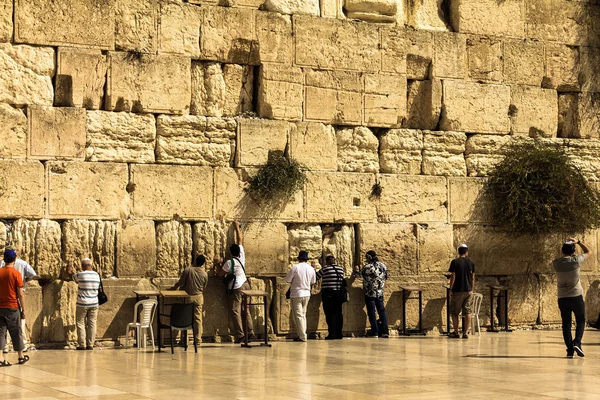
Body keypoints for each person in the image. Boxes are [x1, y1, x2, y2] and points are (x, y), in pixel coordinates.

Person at [216, 221, 254, 344]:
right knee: (245, 309)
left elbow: (220, 274)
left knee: (235, 310)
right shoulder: (242, 255)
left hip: (237, 287)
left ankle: (240, 335)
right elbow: (240, 239)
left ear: (231, 252)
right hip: (245, 284)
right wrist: (237, 227)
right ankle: (250, 331)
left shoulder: (229, 262)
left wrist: (218, 264)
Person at [553, 238, 591, 358]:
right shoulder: (576, 261)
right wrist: (578, 242)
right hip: (576, 296)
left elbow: (561, 259)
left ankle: (570, 350)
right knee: (580, 320)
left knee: (566, 323)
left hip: (562, 297)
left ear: (562, 250)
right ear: (573, 251)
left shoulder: (556, 263)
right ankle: (577, 343)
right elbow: (588, 252)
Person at [0, 249, 36, 353]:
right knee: (17, 329)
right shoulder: (17, 272)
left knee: (1, 331)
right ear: (14, 258)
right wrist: (23, 310)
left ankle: (2, 353)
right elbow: (20, 293)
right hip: (13, 304)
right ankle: (21, 352)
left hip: (1, 304)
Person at [172, 255, 208, 344]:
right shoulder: (205, 274)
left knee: (185, 317)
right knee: (198, 318)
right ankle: (198, 339)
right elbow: (204, 286)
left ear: (195, 261)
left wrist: (173, 288)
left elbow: (181, 282)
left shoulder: (188, 270)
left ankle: (184, 339)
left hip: (188, 297)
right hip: (199, 297)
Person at [353, 250, 389, 338]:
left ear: (369, 258)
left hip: (370, 293)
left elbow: (357, 275)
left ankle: (375, 331)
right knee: (382, 311)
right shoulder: (383, 266)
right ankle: (385, 331)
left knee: (372, 312)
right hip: (380, 292)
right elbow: (386, 277)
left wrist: (356, 270)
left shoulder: (367, 267)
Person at [68, 258, 100, 350]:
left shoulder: (81, 275)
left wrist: (71, 266)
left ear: (83, 266)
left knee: (80, 323)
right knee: (92, 323)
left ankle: (82, 345)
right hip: (94, 302)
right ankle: (90, 344)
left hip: (83, 303)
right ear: (91, 265)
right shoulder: (97, 275)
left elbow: (72, 276)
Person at [286, 251, 316, 342]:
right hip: (307, 293)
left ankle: (302, 336)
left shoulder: (295, 267)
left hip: (297, 294)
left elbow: (288, 280)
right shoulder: (311, 269)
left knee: (298, 316)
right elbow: (313, 281)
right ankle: (302, 334)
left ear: (299, 259)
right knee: (303, 315)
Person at [448, 244, 475, 339]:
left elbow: (453, 276)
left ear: (458, 252)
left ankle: (456, 332)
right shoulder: (471, 263)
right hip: (468, 290)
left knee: (455, 311)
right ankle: (465, 332)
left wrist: (450, 289)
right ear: (466, 252)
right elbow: (472, 277)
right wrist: (471, 289)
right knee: (468, 311)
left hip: (458, 290)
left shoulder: (455, 262)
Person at [316, 255, 345, 340]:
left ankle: (332, 333)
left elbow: (316, 277)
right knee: (338, 313)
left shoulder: (325, 269)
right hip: (339, 292)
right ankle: (339, 333)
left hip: (328, 293)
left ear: (327, 261)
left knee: (330, 313)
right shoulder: (340, 269)